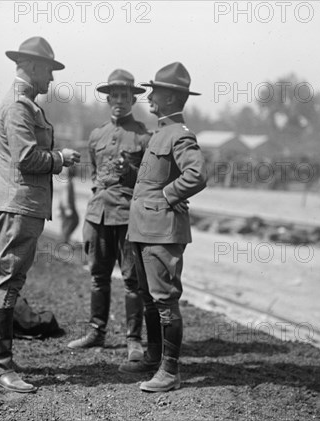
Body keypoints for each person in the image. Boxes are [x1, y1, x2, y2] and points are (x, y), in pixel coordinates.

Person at [0, 36, 81, 393]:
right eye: (49, 72)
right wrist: (61, 158)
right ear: (35, 68)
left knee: (7, 280)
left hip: (20, 205)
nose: (52, 80)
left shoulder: (24, 105)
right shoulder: (19, 107)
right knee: (8, 282)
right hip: (17, 205)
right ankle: (0, 365)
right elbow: (26, 158)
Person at [118, 62, 207, 392]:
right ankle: (154, 359)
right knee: (148, 298)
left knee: (165, 300)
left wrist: (167, 196)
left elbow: (196, 174)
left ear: (170, 98)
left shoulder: (180, 136)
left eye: (156, 91)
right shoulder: (160, 133)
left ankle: (170, 372)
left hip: (162, 231)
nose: (150, 96)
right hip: (143, 229)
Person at [67, 69, 151, 362]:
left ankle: (133, 340)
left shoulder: (143, 136)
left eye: (124, 96)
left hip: (128, 216)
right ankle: (96, 332)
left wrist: (132, 171)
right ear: (107, 99)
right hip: (98, 215)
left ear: (132, 99)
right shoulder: (97, 135)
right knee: (98, 276)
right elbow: (94, 176)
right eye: (113, 96)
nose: (119, 101)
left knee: (132, 280)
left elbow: (150, 179)